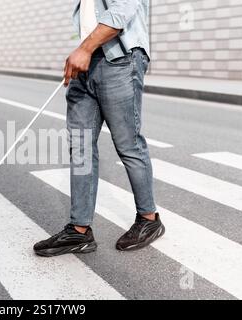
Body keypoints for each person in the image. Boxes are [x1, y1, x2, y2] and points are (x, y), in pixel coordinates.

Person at [34, 0, 165, 256]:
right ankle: (79, 231)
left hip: (120, 61)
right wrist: (85, 52)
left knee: (128, 144)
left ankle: (149, 220)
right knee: (80, 146)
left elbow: (121, 11)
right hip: (88, 62)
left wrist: (84, 48)